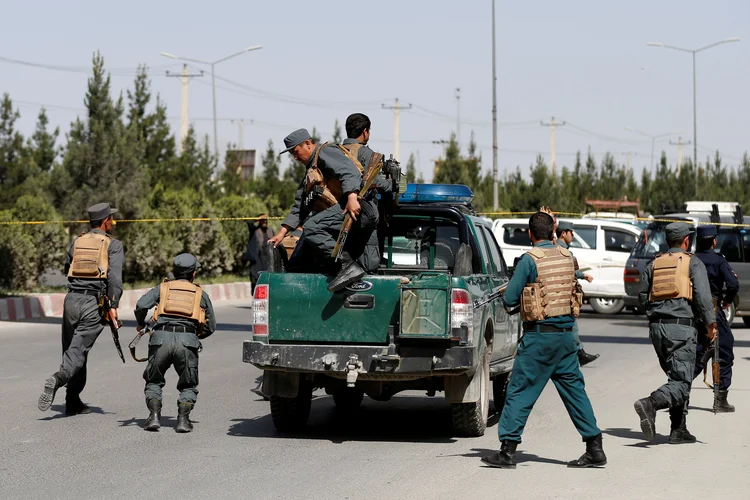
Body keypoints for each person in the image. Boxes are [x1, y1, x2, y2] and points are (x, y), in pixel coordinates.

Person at [482, 212, 606, 469]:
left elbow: (510, 299)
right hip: (566, 339)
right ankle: (594, 446)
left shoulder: (529, 260)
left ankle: (507, 451)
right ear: (553, 233)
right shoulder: (567, 256)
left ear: (530, 234)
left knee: (518, 390)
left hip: (540, 339)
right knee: (575, 393)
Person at [38, 203, 124, 416]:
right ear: (105, 221)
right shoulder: (113, 245)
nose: (112, 222)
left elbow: (67, 267)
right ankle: (58, 378)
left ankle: (72, 401)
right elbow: (114, 278)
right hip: (93, 304)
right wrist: (113, 305)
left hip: (71, 301)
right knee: (78, 351)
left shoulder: (78, 240)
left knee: (73, 349)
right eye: (110, 219)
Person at [634, 222, 716, 444]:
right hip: (681, 329)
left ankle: (678, 429)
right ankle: (650, 403)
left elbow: (642, 297)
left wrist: (657, 314)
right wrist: (711, 326)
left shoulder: (654, 264)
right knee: (682, 380)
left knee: (676, 376)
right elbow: (702, 298)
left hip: (657, 329)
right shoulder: (692, 263)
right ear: (686, 241)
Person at [268, 128, 377, 292]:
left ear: (307, 144)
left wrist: (352, 197)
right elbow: (300, 204)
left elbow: (349, 171)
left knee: (312, 227)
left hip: (359, 207)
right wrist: (282, 233)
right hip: (349, 209)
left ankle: (347, 266)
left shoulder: (325, 152)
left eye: (296, 152)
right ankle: (341, 269)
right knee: (310, 236)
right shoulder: (312, 169)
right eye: (292, 154)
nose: (295, 157)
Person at [134, 253, 216, 433]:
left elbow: (141, 305)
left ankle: (154, 417)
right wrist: (193, 337)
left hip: (160, 339)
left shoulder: (162, 288)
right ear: (193, 273)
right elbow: (211, 326)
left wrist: (141, 323)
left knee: (154, 380)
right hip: (187, 341)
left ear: (174, 271)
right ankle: (183, 420)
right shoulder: (200, 293)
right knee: (188, 384)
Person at [692, 225, 738, 412]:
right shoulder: (719, 261)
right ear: (714, 241)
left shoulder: (691, 260)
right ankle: (720, 399)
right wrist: (726, 301)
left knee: (697, 354)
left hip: (693, 312)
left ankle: (678, 392)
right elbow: (733, 284)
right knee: (724, 351)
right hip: (713, 310)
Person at [555, 221, 600, 366]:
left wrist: (582, 275)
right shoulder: (560, 250)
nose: (573, 235)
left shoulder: (564, 250)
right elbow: (567, 270)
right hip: (560, 295)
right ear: (563, 233)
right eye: (571, 232)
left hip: (563, 294)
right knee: (570, 325)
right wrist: (581, 275)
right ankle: (578, 354)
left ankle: (577, 354)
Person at [244, 214, 275, 291]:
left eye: (265, 220)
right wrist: (257, 218)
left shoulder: (270, 231)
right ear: (259, 221)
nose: (265, 222)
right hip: (257, 262)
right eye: (262, 220)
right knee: (256, 281)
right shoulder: (254, 230)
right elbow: (249, 222)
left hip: (268, 261)